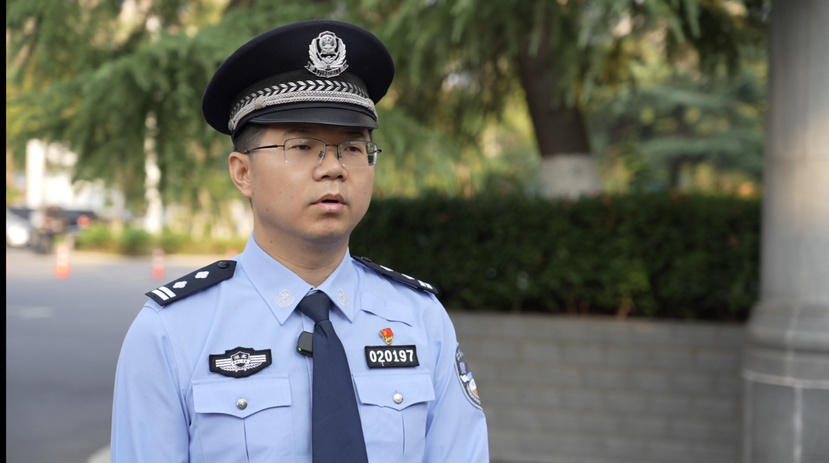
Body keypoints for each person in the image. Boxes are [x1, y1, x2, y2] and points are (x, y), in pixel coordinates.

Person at [110, 19, 489, 462]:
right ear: (243, 173)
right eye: (303, 146)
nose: (333, 168)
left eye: (353, 148)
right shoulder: (172, 332)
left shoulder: (419, 319)